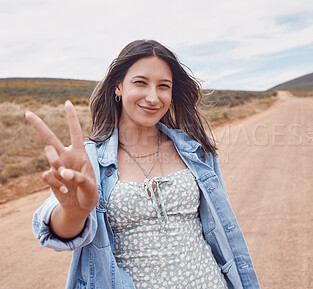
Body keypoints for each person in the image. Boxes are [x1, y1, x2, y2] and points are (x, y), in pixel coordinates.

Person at [26, 40, 260, 289]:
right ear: (118, 87)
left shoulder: (195, 151)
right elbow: (56, 227)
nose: (152, 97)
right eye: (140, 82)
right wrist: (75, 213)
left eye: (163, 86)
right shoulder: (90, 159)